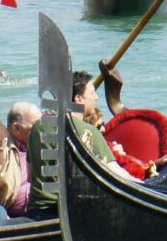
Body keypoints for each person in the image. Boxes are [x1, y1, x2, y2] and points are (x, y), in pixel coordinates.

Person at [28, 71, 114, 213]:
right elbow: (113, 171)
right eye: (92, 93)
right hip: (71, 212)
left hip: (38, 209)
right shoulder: (89, 131)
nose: (96, 98)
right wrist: (142, 185)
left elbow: (31, 171)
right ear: (79, 98)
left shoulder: (37, 127)